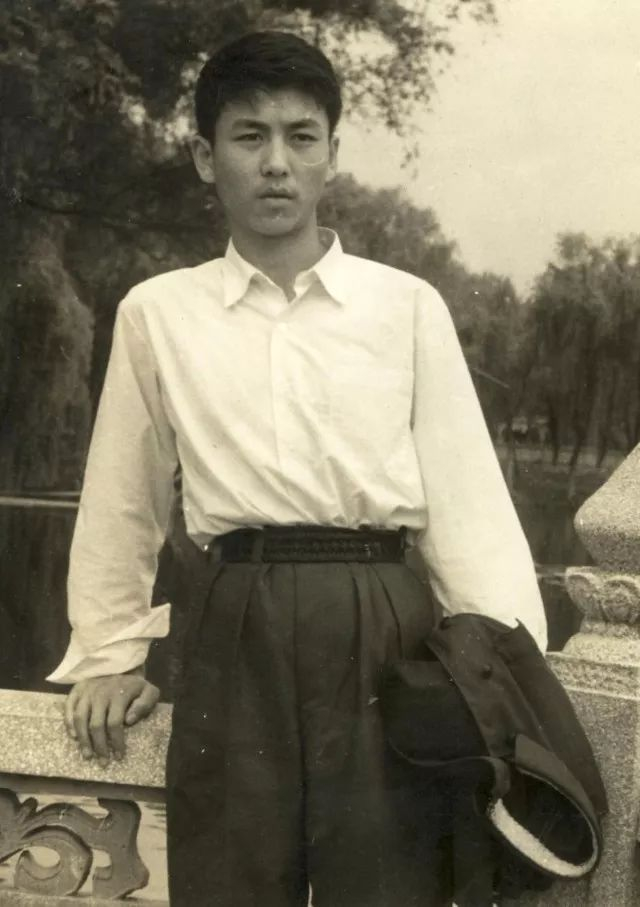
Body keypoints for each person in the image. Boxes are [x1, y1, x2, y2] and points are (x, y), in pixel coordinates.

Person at [48, 30, 547, 907]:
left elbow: (466, 500)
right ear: (205, 157)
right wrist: (111, 652)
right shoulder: (159, 313)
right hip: (234, 620)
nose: (276, 163)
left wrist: (507, 670)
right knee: (230, 879)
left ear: (331, 154)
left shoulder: (405, 307)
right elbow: (124, 496)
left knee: (388, 884)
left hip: (383, 620)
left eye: (300, 136)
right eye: (249, 137)